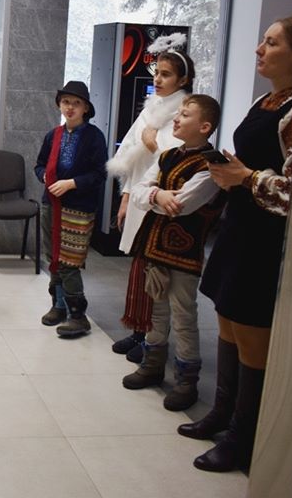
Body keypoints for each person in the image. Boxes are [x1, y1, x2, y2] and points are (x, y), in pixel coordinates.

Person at [180, 17, 292, 473]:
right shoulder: (264, 101)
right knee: (228, 321)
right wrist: (230, 173)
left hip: (265, 239)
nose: (259, 49)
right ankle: (221, 412)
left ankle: (243, 437)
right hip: (238, 226)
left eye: (271, 43)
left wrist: (246, 177)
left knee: (253, 335)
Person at [121, 94, 224, 411]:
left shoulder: (211, 165)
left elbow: (183, 204)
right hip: (156, 248)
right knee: (157, 310)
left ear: (204, 126)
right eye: (178, 113)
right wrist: (158, 195)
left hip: (184, 253)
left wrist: (157, 196)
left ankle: (186, 380)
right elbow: (140, 191)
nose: (176, 118)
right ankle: (152, 365)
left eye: (185, 114)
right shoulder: (167, 156)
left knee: (183, 315)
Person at [105, 39, 195, 361]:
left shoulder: (184, 110)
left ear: (182, 80)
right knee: (139, 266)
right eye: (157, 72)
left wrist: (153, 143)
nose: (157, 79)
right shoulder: (152, 107)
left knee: (156, 271)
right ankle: (139, 330)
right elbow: (132, 153)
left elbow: (178, 158)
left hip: (161, 199)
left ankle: (153, 339)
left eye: (166, 74)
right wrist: (126, 197)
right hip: (141, 192)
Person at [34, 81, 107, 337]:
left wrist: (71, 183)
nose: (70, 107)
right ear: (59, 105)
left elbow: (100, 173)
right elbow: (39, 164)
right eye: (66, 102)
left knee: (69, 261)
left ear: (86, 108)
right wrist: (44, 175)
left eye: (76, 103)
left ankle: (78, 315)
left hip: (79, 206)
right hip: (51, 202)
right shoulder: (53, 135)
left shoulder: (94, 137)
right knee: (53, 258)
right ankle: (58, 305)